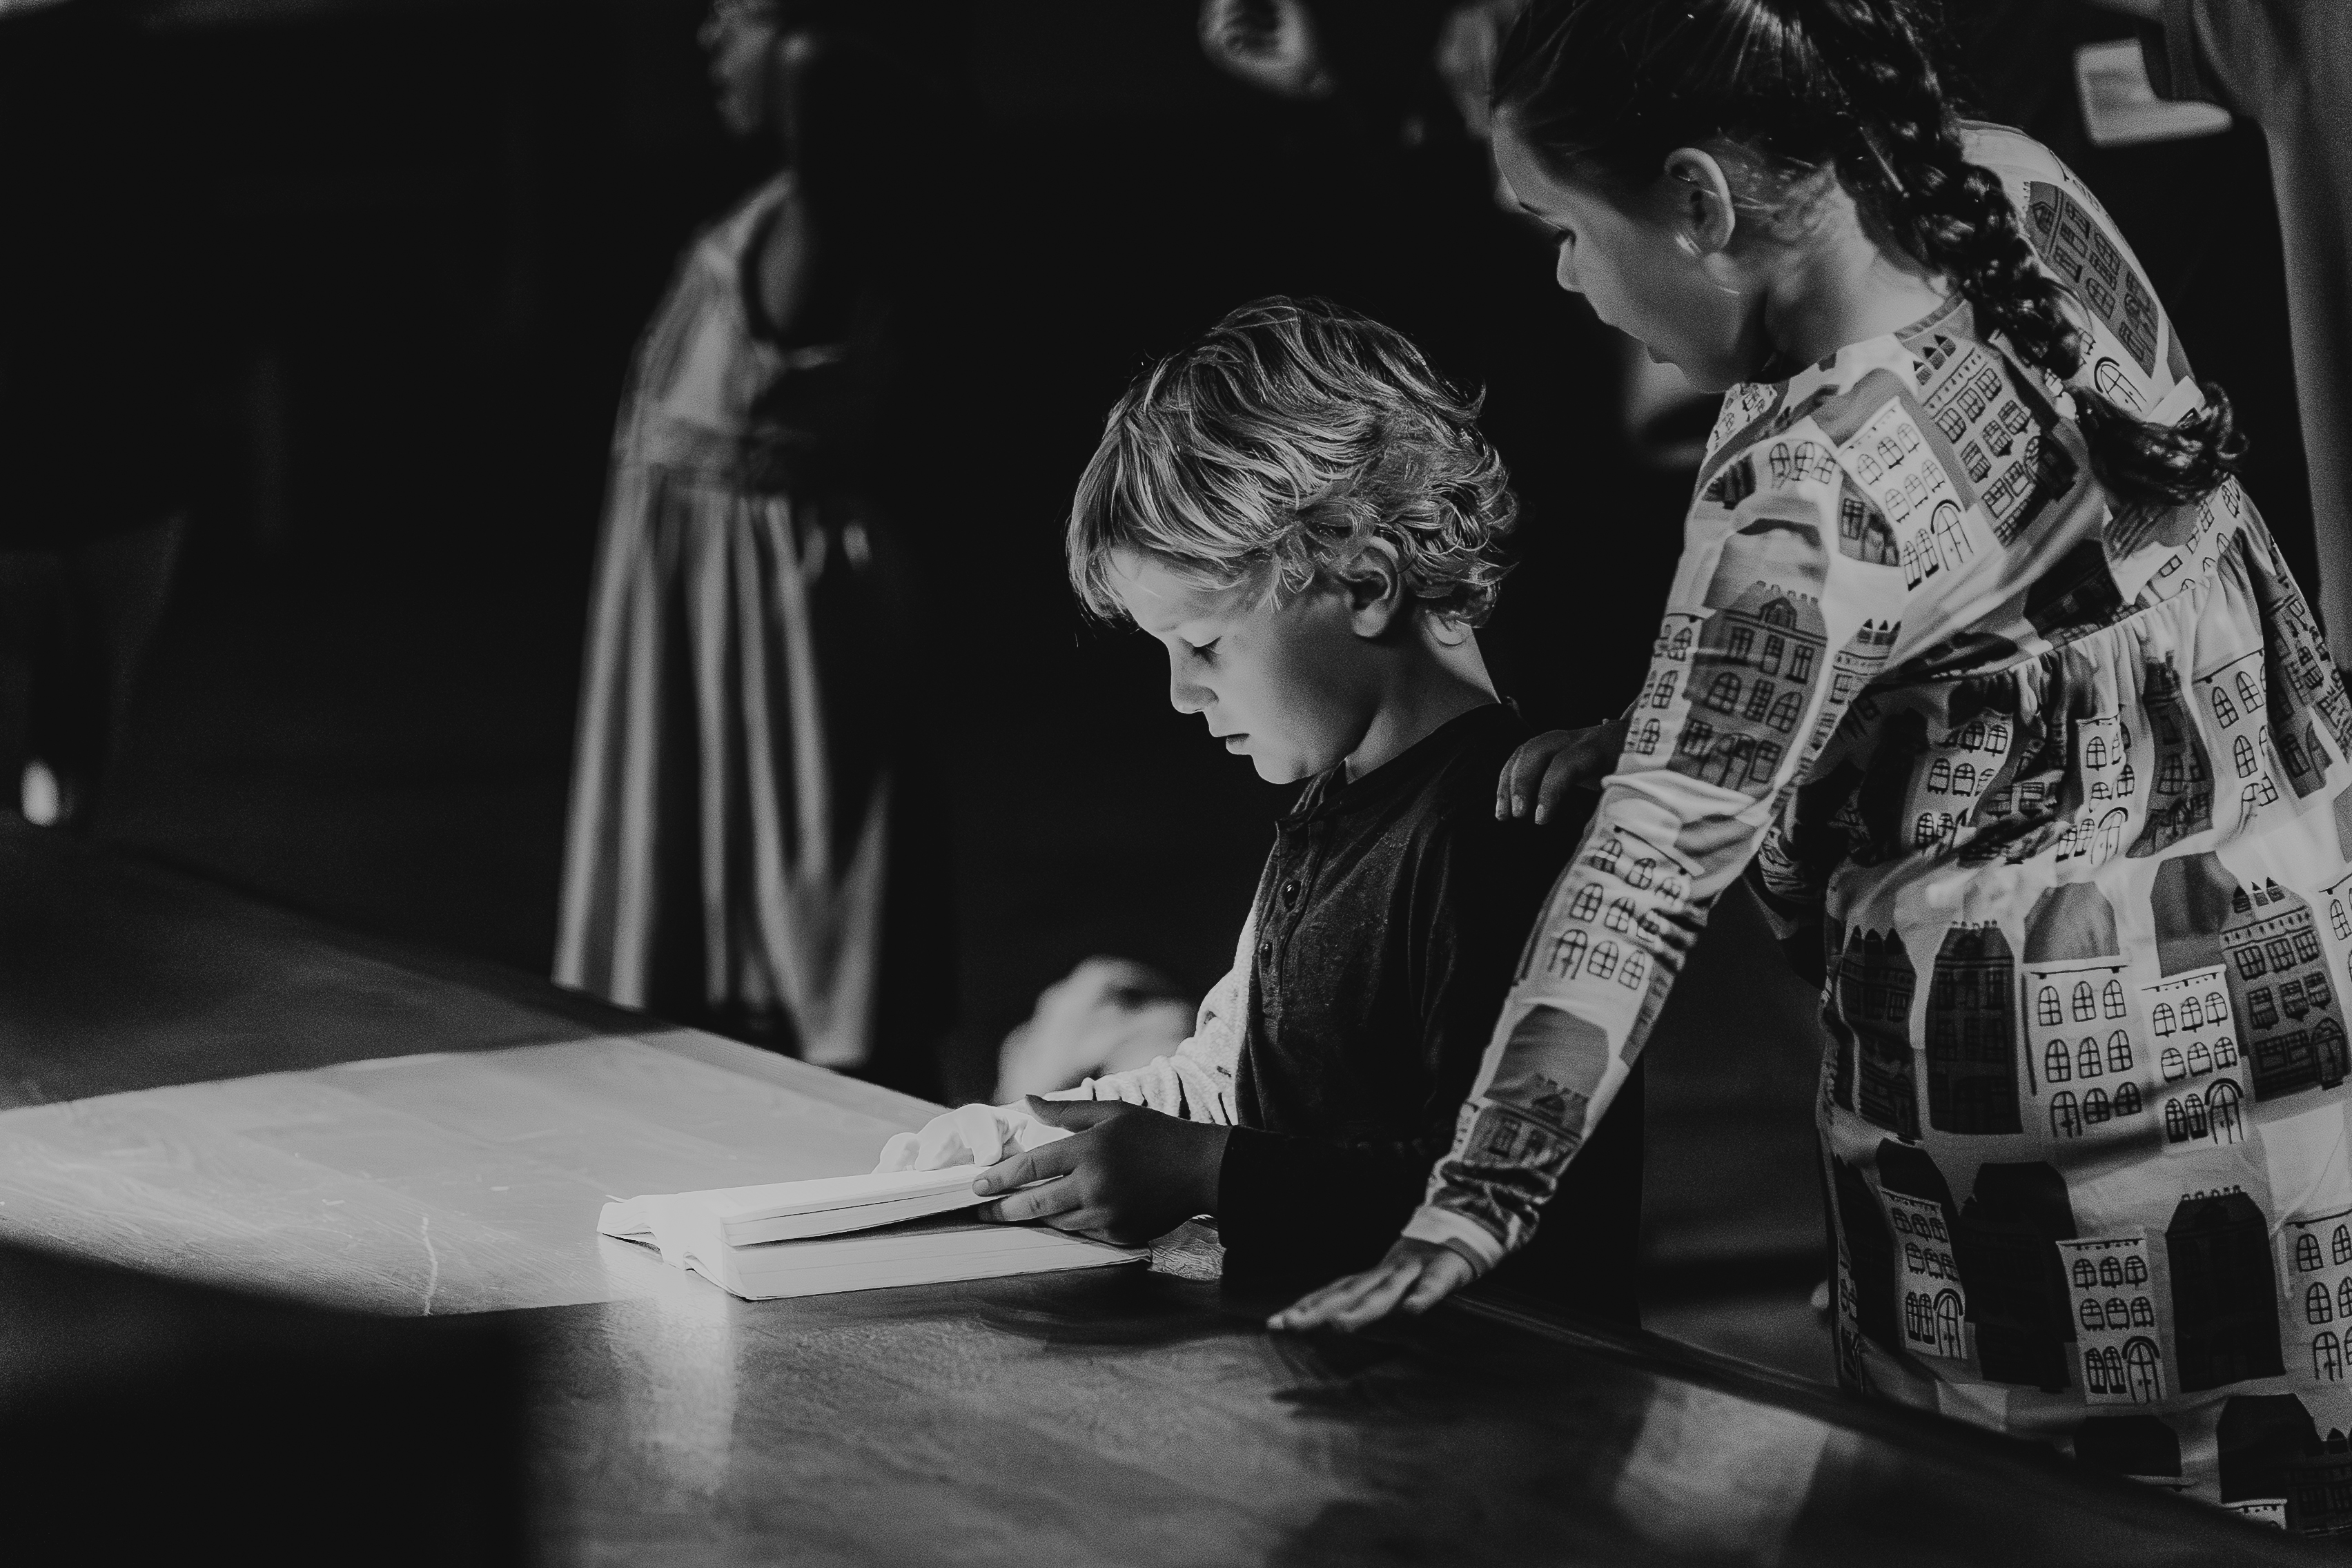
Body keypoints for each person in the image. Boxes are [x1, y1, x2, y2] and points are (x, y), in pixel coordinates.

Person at [1277, 0, 2352, 1528]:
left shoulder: (1803, 482)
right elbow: (2037, 609)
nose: (1571, 278)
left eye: (1565, 226)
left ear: (1702, 202)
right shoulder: (2013, 187)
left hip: (2059, 1222)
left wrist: (1476, 1197)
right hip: (2307, 1074)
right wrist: (1709, 718)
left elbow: (1645, 872)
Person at [878, 298, 1645, 1321]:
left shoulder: (1500, 832)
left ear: (1365, 583)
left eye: (1204, 647)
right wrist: (1030, 1142)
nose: (1179, 697)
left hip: (1486, 1427)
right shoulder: (1329, 816)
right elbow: (1238, 1080)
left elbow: (1527, 1199)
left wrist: (1212, 1177)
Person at [555, 0, 948, 1094]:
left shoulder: (820, 220)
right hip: (701, 610)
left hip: (779, 622)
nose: (707, 46)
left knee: (815, 910)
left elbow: (837, 86)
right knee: (724, 900)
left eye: (735, 21)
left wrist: (801, 39)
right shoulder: (769, 213)